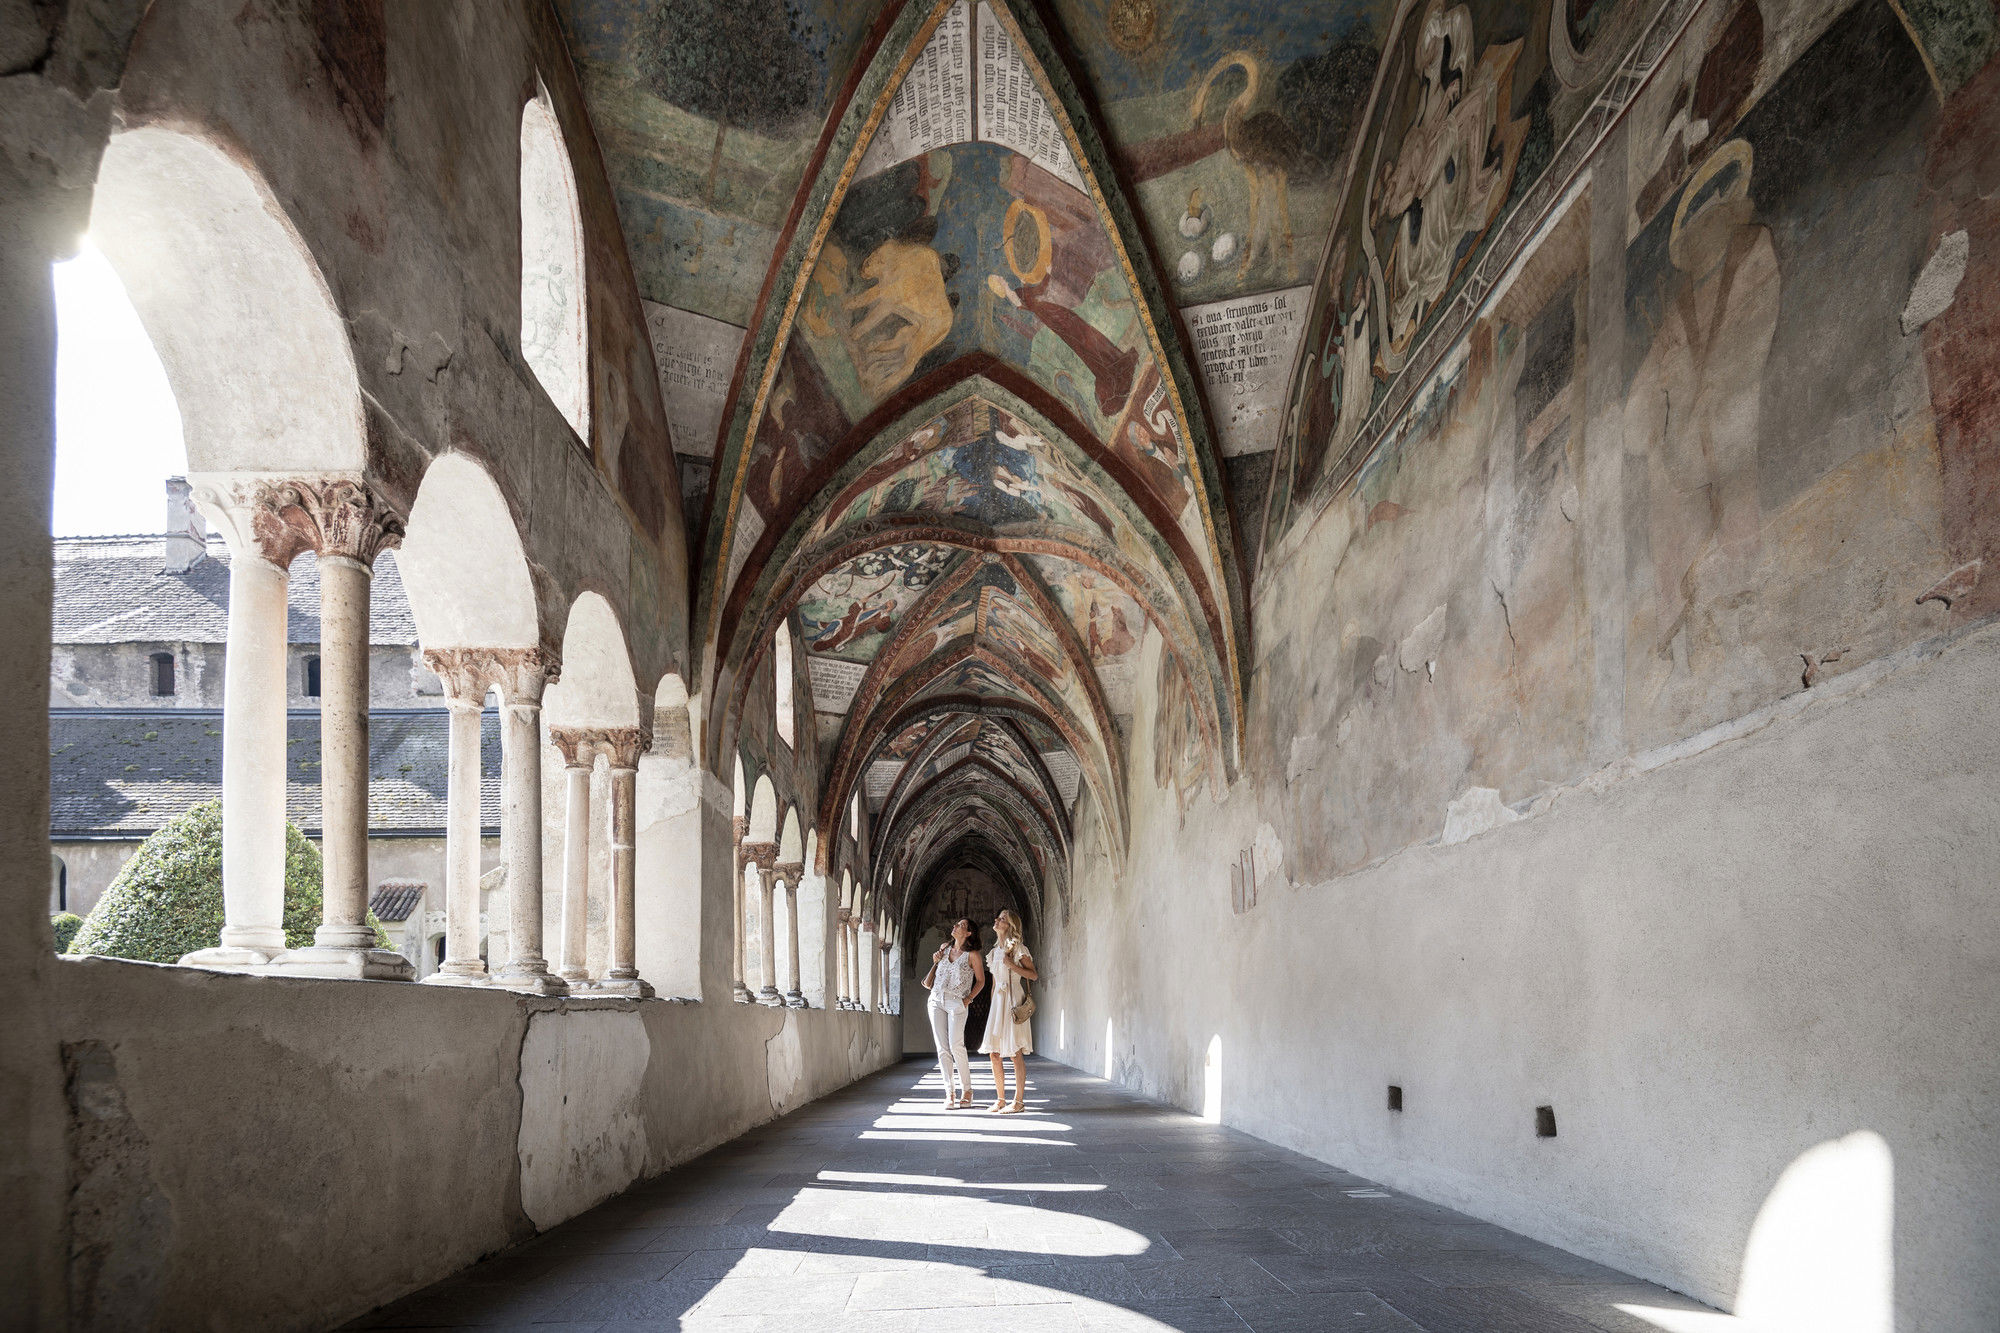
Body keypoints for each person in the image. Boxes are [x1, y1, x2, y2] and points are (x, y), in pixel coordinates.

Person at [921, 918, 984, 1109]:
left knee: (957, 1045)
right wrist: (936, 959)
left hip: (956, 1001)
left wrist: (967, 999)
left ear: (969, 933)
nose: (955, 926)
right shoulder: (944, 949)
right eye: (955, 924)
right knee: (942, 1048)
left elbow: (981, 981)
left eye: (961, 925)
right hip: (935, 999)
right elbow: (937, 971)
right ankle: (949, 1092)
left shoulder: (972, 955)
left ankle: (967, 1090)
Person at [980, 910, 1039, 1113]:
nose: (997, 919)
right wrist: (991, 1009)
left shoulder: (1019, 949)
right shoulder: (994, 951)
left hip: (1013, 1001)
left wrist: (1011, 964)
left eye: (1003, 918)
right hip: (997, 1004)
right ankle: (1000, 1099)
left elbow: (1033, 975)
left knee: (1014, 1053)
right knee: (994, 1053)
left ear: (1011, 925)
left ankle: (1019, 1101)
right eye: (997, 917)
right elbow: (994, 984)